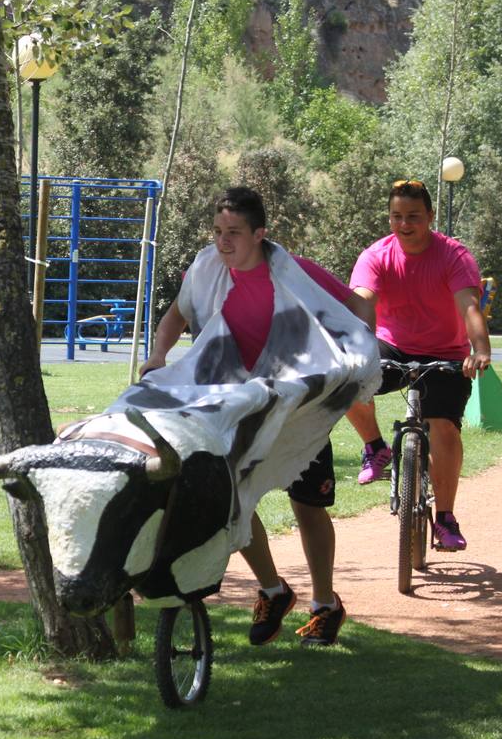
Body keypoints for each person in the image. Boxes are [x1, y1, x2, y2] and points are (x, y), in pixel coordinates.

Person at [140, 187, 375, 647]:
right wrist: (157, 356)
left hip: (297, 404)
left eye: (234, 234)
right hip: (234, 402)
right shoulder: (206, 270)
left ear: (259, 234)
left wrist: (364, 348)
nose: (223, 242)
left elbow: (355, 304)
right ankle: (273, 590)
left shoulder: (294, 272)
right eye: (217, 232)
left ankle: (325, 605)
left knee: (307, 505)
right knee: (230, 498)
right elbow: (177, 315)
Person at [345, 179, 492, 551]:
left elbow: (469, 306)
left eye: (413, 216)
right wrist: (356, 345)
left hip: (446, 350)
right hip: (393, 346)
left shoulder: (454, 256)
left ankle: (445, 518)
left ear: (429, 216)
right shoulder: (376, 255)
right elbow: (363, 299)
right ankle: (376, 447)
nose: (404, 224)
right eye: (396, 216)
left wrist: (480, 348)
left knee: (443, 426)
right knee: (345, 381)